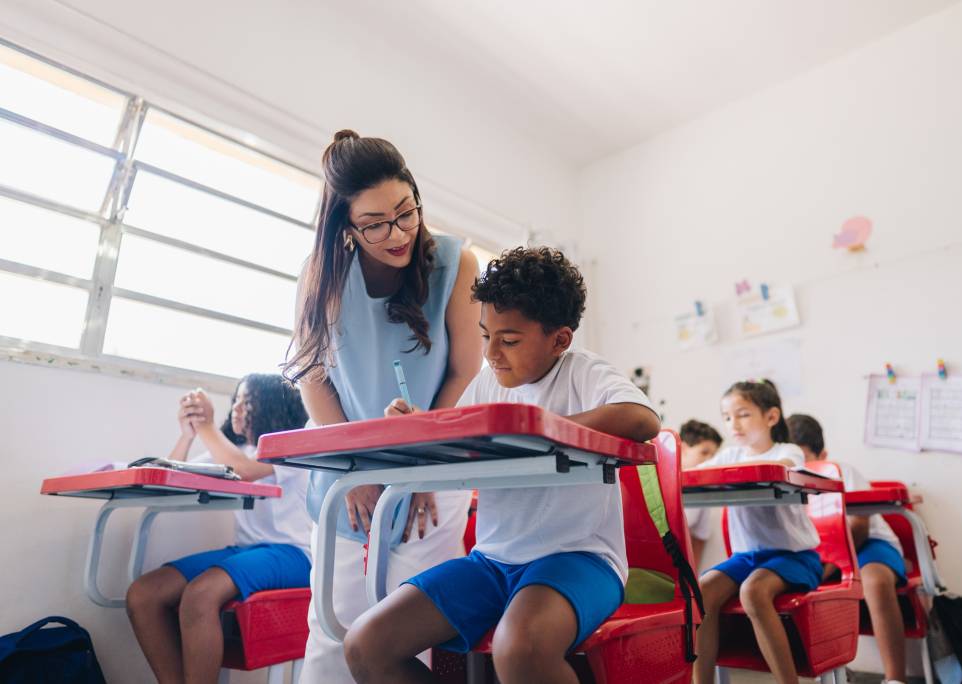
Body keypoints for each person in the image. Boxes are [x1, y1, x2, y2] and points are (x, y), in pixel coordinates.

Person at [343, 246, 661, 684]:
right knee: (366, 644)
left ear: (560, 339)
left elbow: (642, 419)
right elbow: (458, 432)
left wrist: (539, 430)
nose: (492, 353)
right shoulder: (488, 382)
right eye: (485, 335)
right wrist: (421, 427)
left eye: (509, 340)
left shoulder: (581, 372)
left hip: (580, 559)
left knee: (521, 649)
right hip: (491, 562)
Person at [282, 130, 482, 682]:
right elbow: (313, 376)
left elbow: (466, 372)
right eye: (374, 223)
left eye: (405, 212)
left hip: (431, 468)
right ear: (345, 226)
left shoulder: (456, 263)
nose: (396, 233)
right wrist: (354, 467)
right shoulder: (320, 274)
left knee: (401, 638)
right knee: (332, 627)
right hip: (344, 468)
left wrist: (422, 466)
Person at [126, 374, 311, 684]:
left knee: (200, 594)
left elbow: (245, 471)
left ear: (270, 406)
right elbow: (172, 476)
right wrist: (188, 435)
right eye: (235, 400)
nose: (236, 408)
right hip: (247, 551)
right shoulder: (234, 450)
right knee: (144, 594)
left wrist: (207, 427)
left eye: (246, 401)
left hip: (293, 552)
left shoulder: (290, 446)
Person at [690, 380, 821, 684]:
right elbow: (697, 475)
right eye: (726, 416)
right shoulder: (730, 455)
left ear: (771, 417)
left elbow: (781, 468)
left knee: (753, 591)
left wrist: (735, 473)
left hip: (794, 556)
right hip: (747, 558)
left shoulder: (787, 450)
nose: (733, 424)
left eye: (743, 414)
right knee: (702, 591)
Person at [788, 413, 908, 684]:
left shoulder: (843, 472)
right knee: (796, 587)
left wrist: (829, 567)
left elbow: (859, 529)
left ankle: (896, 678)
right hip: (819, 552)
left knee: (875, 581)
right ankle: (832, 669)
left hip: (869, 545)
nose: (802, 467)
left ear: (824, 455)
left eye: (806, 459)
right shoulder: (787, 482)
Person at [679, 419, 722, 567]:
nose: (710, 460)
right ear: (683, 449)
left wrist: (693, 583)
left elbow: (698, 539)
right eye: (704, 452)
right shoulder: (659, 480)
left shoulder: (703, 491)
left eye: (713, 455)